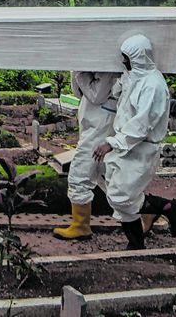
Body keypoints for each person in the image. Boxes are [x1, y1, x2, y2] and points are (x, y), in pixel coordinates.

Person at [94, 34, 176, 250]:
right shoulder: (134, 77)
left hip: (140, 147)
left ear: (139, 57)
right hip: (125, 145)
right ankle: (136, 245)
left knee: (121, 197)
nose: (124, 62)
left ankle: (167, 207)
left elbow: (142, 124)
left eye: (127, 58)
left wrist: (112, 143)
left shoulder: (153, 85)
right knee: (117, 196)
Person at [52, 70, 121, 240]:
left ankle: (80, 225)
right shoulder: (94, 63)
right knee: (108, 178)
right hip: (96, 120)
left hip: (101, 124)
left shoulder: (108, 66)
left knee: (80, 173)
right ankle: (152, 209)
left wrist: (78, 73)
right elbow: (80, 92)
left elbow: (96, 95)